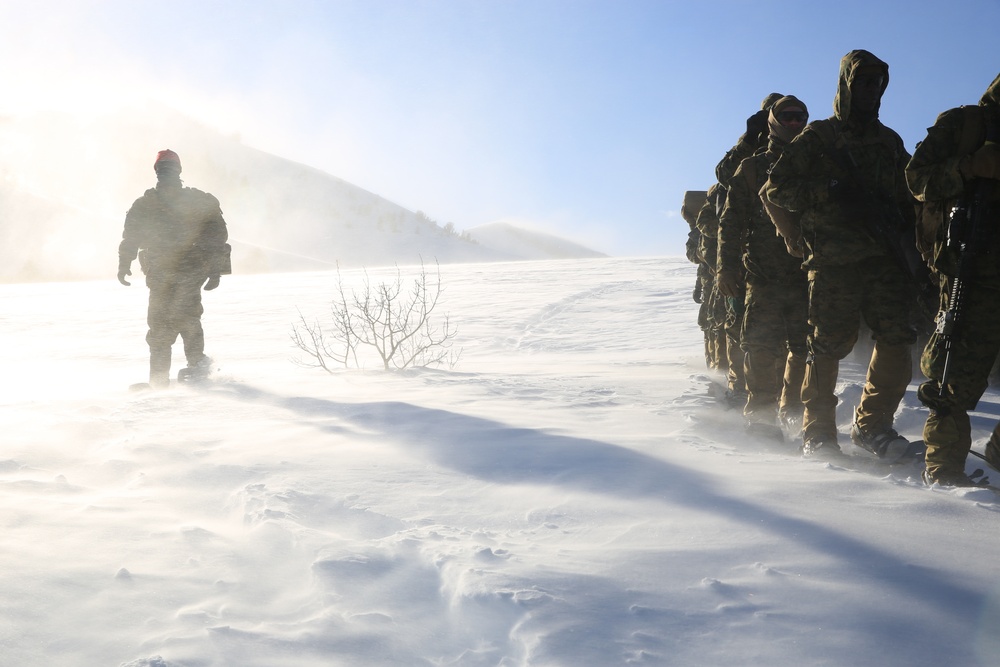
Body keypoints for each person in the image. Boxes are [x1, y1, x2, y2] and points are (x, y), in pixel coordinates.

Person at [764, 50, 919, 458]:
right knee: (826, 345)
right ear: (846, 86)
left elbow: (909, 196)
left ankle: (873, 425)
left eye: (876, 83)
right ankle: (818, 432)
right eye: (862, 82)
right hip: (834, 261)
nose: (869, 90)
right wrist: (828, 192)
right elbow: (775, 188)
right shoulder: (820, 137)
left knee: (897, 338)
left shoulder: (889, 142)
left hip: (884, 261)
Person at [905, 73, 1000, 486]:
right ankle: (943, 470)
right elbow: (917, 178)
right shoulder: (965, 125)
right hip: (972, 271)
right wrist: (968, 167)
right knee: (954, 375)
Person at [718, 96, 811, 441]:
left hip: (808, 276)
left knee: (805, 349)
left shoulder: (816, 163)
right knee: (760, 347)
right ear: (772, 121)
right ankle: (760, 417)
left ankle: (793, 410)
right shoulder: (753, 168)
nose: (794, 123)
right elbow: (730, 222)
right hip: (763, 276)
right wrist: (725, 268)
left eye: (800, 117)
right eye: (786, 117)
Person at [118, 149, 231, 388]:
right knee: (187, 320)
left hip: (165, 274)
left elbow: (130, 238)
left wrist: (124, 264)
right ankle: (196, 371)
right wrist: (214, 271)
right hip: (184, 273)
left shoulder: (145, 204)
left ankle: (162, 381)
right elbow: (217, 237)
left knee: (163, 326)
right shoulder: (198, 200)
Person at [713, 93, 785, 409]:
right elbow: (723, 175)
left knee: (781, 332)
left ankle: (778, 394)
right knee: (740, 324)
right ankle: (740, 386)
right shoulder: (749, 154)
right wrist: (748, 139)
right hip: (748, 256)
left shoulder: (797, 148)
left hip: (785, 254)